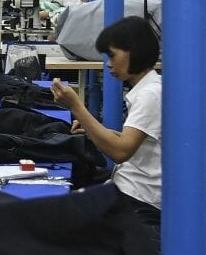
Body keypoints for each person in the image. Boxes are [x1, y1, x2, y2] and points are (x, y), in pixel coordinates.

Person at [51, 16, 161, 228]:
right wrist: (94, 131)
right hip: (130, 190)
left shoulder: (151, 95)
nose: (109, 64)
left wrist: (77, 107)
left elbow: (121, 152)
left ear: (133, 51)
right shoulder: (149, 89)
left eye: (112, 56)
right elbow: (143, 144)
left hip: (140, 200)